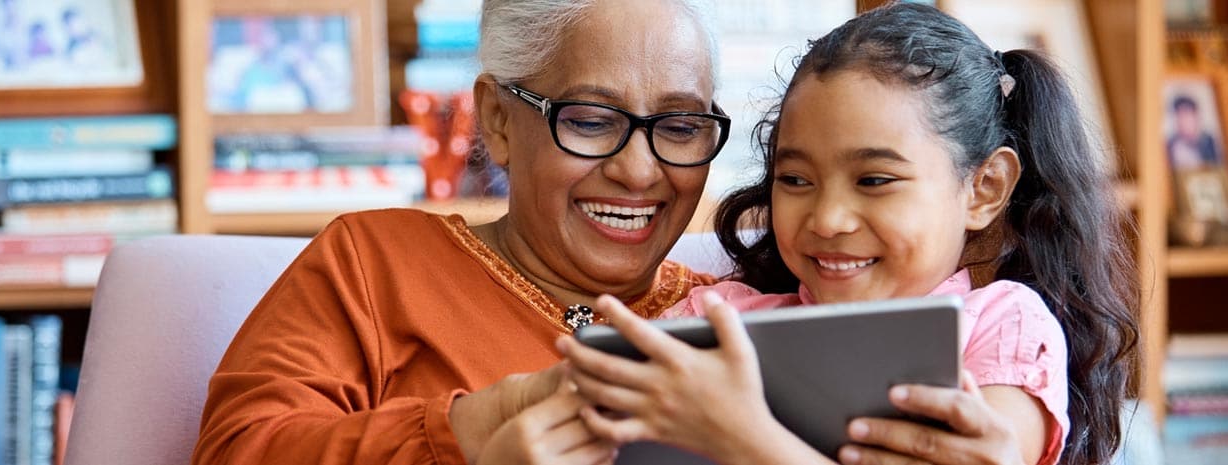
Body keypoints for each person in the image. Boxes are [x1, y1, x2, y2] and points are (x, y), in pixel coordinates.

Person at [556, 4, 1140, 465]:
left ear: (985, 188)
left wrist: (744, 438)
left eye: (875, 179)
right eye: (795, 178)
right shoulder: (717, 315)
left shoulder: (1003, 326)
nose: (828, 219)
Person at [191, 0, 728, 464]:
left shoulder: (743, 315)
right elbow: (238, 451)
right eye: (589, 121)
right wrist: (476, 427)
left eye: (681, 128)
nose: (637, 171)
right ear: (497, 120)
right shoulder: (373, 266)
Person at [1167, 95, 1224, 171]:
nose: (1182, 121)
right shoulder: (1172, 144)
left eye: (1186, 115)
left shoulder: (1209, 141)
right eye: (1179, 116)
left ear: (1196, 117)